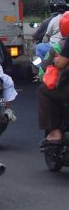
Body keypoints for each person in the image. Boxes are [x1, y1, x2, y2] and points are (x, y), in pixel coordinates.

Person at [37, 11, 69, 144]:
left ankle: (54, 132)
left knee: (43, 91)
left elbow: (61, 63)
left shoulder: (60, 45)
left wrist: (55, 61)